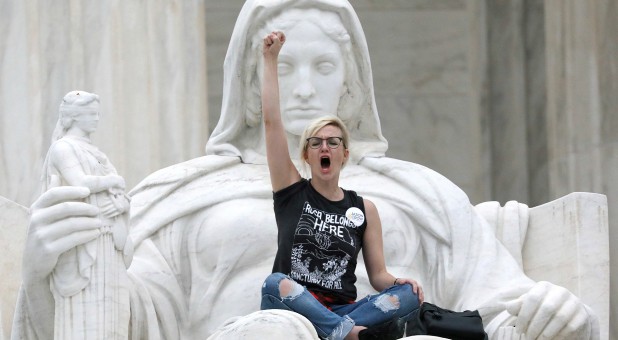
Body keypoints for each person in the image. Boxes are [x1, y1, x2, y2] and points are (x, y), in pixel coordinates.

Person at [13, 0, 598, 339]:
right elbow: (125, 323)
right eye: (282, 66)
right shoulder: (181, 199)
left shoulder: (422, 194)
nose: (303, 86)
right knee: (281, 328)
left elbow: (499, 304)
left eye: (323, 65)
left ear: (352, 82)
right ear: (250, 85)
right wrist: (51, 267)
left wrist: (557, 314)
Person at [258, 31, 422, 340]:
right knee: (275, 283)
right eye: (316, 143)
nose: (324, 148)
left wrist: (400, 282)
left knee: (407, 295)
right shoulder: (292, 191)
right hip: (296, 308)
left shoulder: (363, 209)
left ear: (344, 154)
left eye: (333, 142)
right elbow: (272, 124)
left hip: (346, 312)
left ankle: (340, 329)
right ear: (306, 154)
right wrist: (270, 60)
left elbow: (378, 276)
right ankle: (348, 334)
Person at [35, 91, 132, 339]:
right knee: (87, 317)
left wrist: (121, 205)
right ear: (75, 117)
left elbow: (120, 193)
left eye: (97, 113)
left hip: (108, 241)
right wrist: (113, 179)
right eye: (91, 114)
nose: (97, 119)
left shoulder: (97, 152)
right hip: (83, 244)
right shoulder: (63, 148)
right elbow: (80, 183)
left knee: (111, 315)